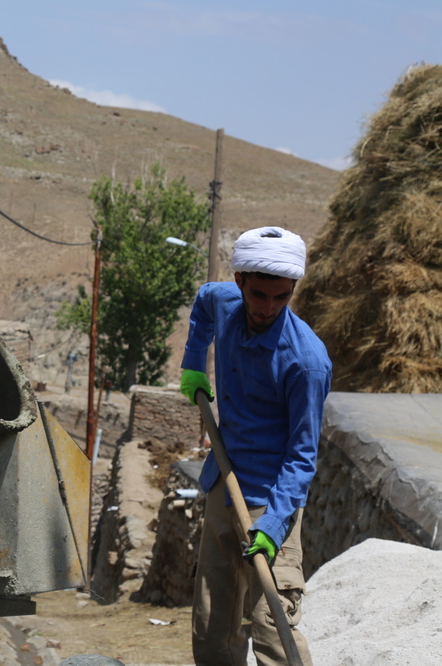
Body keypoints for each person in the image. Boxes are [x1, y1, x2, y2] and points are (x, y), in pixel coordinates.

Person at [180, 227, 331, 666]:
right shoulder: (224, 301)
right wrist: (193, 364)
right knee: (212, 628)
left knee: (272, 625)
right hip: (222, 484)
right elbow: (205, 301)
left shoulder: (306, 362)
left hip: (271, 503)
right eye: (259, 294)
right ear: (241, 280)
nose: (268, 307)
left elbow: (303, 457)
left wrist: (274, 525)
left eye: (281, 297)